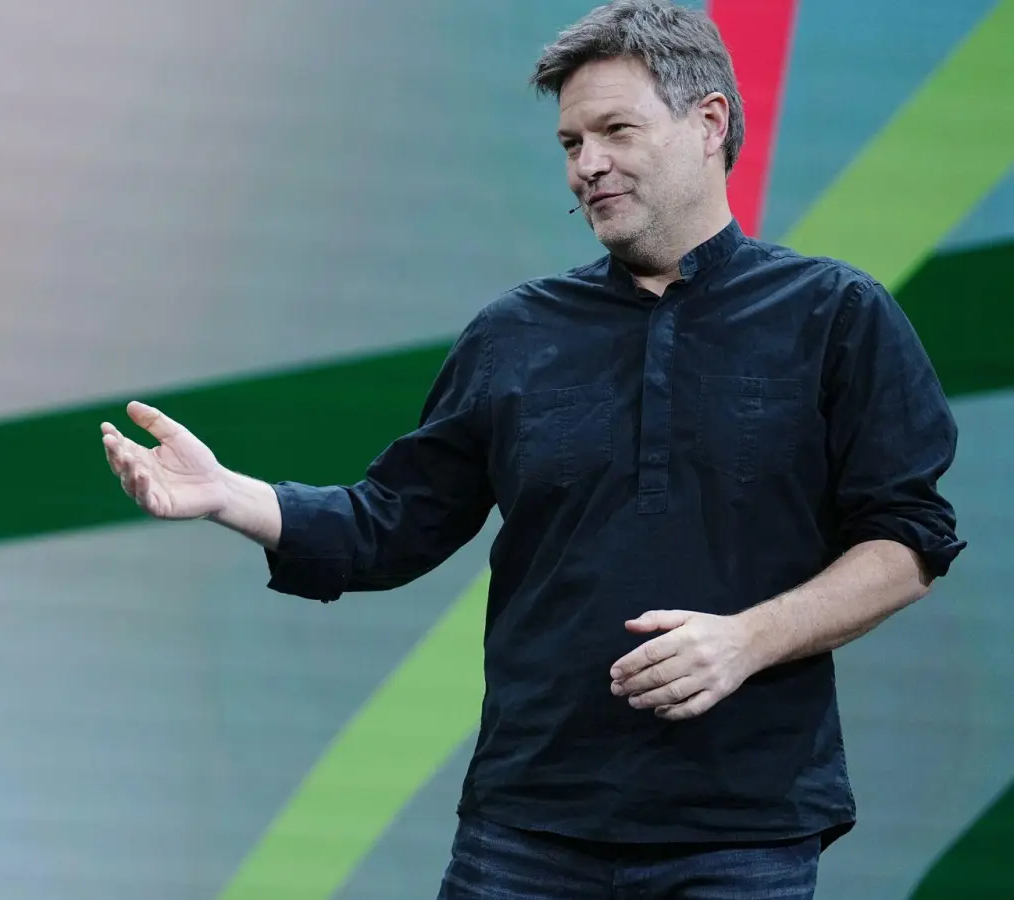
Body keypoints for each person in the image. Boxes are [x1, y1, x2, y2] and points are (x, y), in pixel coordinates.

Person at [99, 0, 963, 896]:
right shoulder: (517, 331)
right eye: (569, 143)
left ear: (709, 123)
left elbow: (907, 544)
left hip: (741, 828)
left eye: (615, 130)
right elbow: (392, 524)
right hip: (527, 828)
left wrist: (747, 640)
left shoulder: (836, 317)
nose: (588, 165)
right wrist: (228, 495)